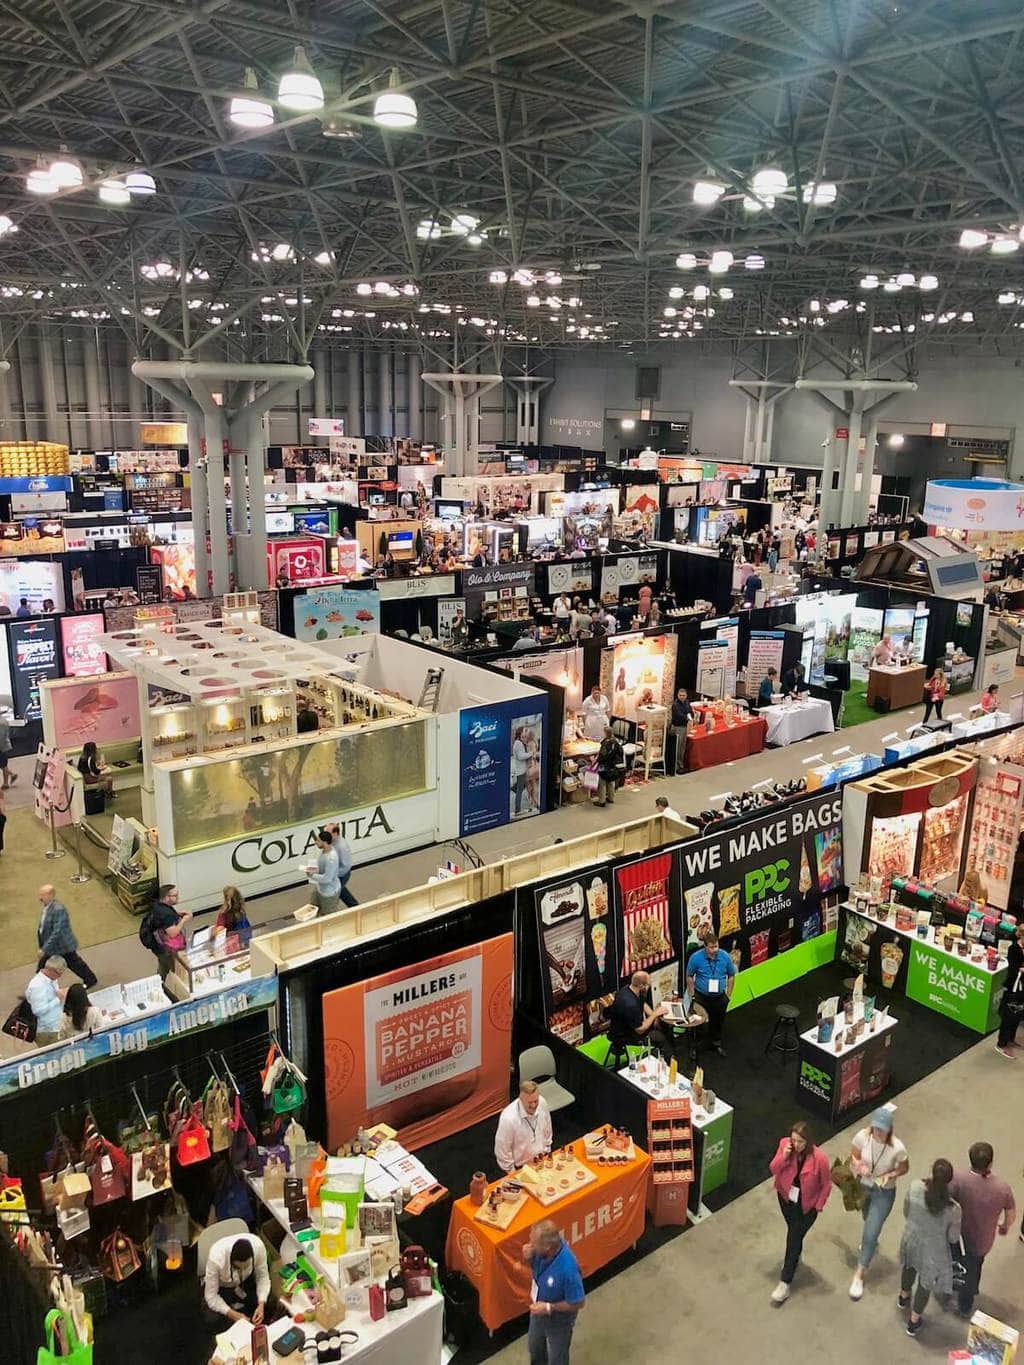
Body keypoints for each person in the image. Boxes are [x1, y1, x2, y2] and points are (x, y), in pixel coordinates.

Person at [847, 1107, 910, 1299]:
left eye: (882, 1129)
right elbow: (854, 1155)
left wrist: (891, 1174)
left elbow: (904, 1168)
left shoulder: (897, 1147)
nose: (878, 1132)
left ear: (889, 1129)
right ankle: (871, 1245)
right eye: (876, 1128)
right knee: (867, 1218)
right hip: (864, 1186)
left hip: (884, 1191)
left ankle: (859, 1273)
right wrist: (858, 1165)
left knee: (871, 1230)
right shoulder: (862, 1137)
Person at [768, 1120, 832, 1304]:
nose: (796, 1145)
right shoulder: (784, 1146)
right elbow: (773, 1168)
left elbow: (826, 1184)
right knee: (794, 1235)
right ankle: (795, 1256)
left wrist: (818, 1206)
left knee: (794, 1237)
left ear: (808, 1141)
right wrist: (784, 1156)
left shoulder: (819, 1158)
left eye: (800, 1142)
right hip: (786, 1199)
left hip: (807, 1206)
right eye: (793, 1140)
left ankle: (785, 1281)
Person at [949, 1142, 1016, 1318]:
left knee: (952, 1260)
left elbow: (946, 1199)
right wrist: (1004, 1226)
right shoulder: (1002, 1187)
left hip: (957, 1235)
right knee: (973, 1270)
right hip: (981, 1241)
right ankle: (965, 1304)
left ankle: (949, 1286)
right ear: (990, 1163)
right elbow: (1011, 1212)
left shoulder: (957, 1178)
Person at [898, 1158, 961, 1336]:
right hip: (933, 1252)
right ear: (949, 1180)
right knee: (925, 1285)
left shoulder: (915, 1187)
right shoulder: (953, 1209)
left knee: (908, 1266)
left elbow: (906, 1211)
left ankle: (903, 1296)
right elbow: (953, 1238)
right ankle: (914, 1321)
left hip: (912, 1239)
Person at [521, 1219, 585, 1365]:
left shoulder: (568, 1269)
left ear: (548, 1247)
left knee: (558, 1357)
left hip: (559, 1321)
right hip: (538, 1310)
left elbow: (579, 1302)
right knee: (534, 1347)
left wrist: (549, 1307)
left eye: (534, 1244)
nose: (531, 1246)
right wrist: (529, 1258)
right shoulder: (541, 1251)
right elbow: (537, 1269)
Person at [202, 1234, 273, 1333]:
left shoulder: (259, 1247)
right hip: (223, 1286)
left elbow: (263, 1277)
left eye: (246, 1266)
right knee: (211, 1319)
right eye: (237, 1268)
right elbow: (211, 1296)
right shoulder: (216, 1257)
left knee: (268, 1301)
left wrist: (261, 1304)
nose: (241, 1270)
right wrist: (232, 1314)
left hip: (246, 1282)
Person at [36, 884, 97, 987]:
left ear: (51, 895)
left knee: (74, 963)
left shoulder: (58, 909)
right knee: (42, 967)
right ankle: (38, 986)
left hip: (62, 945)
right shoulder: (47, 907)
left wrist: (44, 949)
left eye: (42, 895)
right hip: (52, 945)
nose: (40, 898)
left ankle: (91, 979)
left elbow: (58, 931)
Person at [686, 931, 736, 1055]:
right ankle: (695, 1046)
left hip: (719, 997)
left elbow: (731, 976)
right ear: (705, 946)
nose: (714, 950)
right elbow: (689, 976)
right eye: (711, 947)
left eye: (716, 946)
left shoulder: (725, 956)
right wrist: (692, 996)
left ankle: (716, 1043)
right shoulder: (696, 957)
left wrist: (728, 995)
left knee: (718, 1021)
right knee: (699, 1023)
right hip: (701, 997)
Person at [608, 970, 673, 1063]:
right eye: (648, 985)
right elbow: (640, 1029)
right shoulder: (630, 1004)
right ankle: (669, 1064)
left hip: (630, 1026)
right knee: (660, 1038)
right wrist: (655, 1014)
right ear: (641, 986)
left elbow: (643, 1003)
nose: (649, 987)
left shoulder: (629, 989)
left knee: (663, 1027)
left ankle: (670, 1055)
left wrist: (653, 1016)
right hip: (625, 1035)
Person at [141, 884, 193, 991]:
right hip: (168, 949)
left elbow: (164, 917)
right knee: (179, 971)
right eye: (175, 895)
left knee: (163, 966)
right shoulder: (166, 915)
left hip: (158, 946)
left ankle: (157, 987)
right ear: (167, 897)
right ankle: (182, 992)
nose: (178, 897)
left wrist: (177, 913)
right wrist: (184, 920)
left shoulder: (158, 906)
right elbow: (173, 933)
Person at [494, 1080, 552, 1173]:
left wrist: (547, 1151)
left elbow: (547, 1129)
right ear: (520, 1099)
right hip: (521, 1168)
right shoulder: (508, 1118)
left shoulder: (542, 1102)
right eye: (529, 1103)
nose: (534, 1105)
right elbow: (502, 1150)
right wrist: (512, 1173)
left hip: (542, 1159)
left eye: (535, 1101)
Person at [995, 919, 1024, 1058]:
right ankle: (1001, 1044)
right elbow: (1013, 970)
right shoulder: (1013, 949)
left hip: (1022, 988)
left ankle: (1011, 1039)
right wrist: (1022, 970)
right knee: (1009, 1015)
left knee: (1017, 1015)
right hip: (1013, 988)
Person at [25, 956, 67, 1046]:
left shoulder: (52, 979)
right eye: (59, 973)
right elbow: (38, 1010)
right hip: (47, 1032)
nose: (60, 976)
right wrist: (58, 999)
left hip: (56, 1026)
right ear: (50, 970)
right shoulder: (38, 986)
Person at [325, 821, 358, 907]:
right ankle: (355, 906)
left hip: (341, 875)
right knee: (341, 891)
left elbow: (346, 866)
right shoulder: (331, 841)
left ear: (335, 833)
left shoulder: (342, 847)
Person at [308, 828, 341, 915]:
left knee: (328, 917)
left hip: (329, 893)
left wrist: (312, 875)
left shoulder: (331, 859)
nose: (316, 842)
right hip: (320, 888)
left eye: (318, 841)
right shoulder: (324, 851)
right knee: (312, 909)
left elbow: (327, 878)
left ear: (325, 842)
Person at [593, 725, 623, 808]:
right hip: (612, 764)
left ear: (605, 733)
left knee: (602, 782)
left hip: (604, 765)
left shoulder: (605, 743)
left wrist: (596, 761)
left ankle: (601, 801)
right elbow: (620, 752)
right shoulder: (615, 741)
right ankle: (611, 798)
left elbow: (602, 755)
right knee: (611, 781)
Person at [669, 688, 693, 775]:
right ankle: (675, 766)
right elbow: (679, 715)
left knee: (682, 747)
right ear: (677, 695)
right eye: (680, 695)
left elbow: (690, 712)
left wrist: (690, 717)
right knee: (677, 747)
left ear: (686, 696)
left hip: (684, 727)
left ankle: (681, 765)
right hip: (677, 727)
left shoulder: (687, 703)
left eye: (683, 695)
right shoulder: (675, 705)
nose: (682, 697)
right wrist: (687, 717)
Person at [511, 725, 531, 814]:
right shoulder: (518, 743)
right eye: (524, 731)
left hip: (522, 770)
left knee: (522, 787)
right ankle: (517, 809)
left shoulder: (519, 742)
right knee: (519, 790)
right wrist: (531, 753)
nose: (525, 733)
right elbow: (521, 756)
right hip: (520, 771)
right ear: (520, 732)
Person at [0, 712, 15, 789]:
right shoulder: (3, 720)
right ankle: (12, 775)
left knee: (3, 765)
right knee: (2, 765)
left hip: (2, 747)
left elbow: (1, 738)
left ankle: (6, 784)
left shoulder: (1, 723)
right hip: (3, 746)